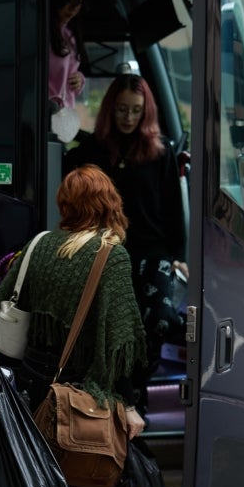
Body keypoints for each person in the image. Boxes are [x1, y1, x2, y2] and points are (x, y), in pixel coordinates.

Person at [0, 164, 148, 487]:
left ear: (66, 204)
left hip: (31, 396)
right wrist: (127, 403)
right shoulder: (112, 255)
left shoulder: (38, 247)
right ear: (110, 203)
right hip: (84, 402)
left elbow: (4, 304)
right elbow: (123, 342)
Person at [65, 74, 186, 369]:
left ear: (146, 111)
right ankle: (120, 397)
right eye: (122, 109)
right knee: (110, 327)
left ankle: (138, 394)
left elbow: (173, 206)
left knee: (158, 321)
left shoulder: (160, 151)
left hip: (153, 251)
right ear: (110, 108)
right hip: (105, 250)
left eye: (135, 110)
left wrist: (179, 256)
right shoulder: (94, 149)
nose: (129, 117)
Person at [47, 0, 87, 141]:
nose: (72, 8)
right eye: (68, 1)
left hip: (62, 119)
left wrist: (79, 80)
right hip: (45, 117)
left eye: (78, 3)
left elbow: (69, 74)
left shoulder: (70, 35)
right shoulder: (43, 33)